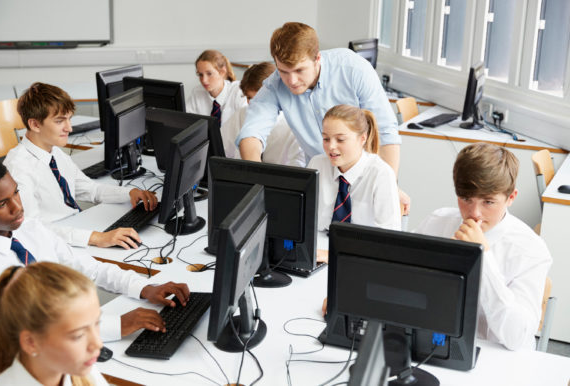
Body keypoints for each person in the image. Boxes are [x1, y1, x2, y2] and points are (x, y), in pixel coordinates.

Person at [0, 154, 189, 344]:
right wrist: (115, 325)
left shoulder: (28, 228)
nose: (18, 207)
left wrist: (144, 288)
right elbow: (19, 333)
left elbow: (87, 267)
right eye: (1, 204)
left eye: (16, 193)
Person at [236, 22, 409, 214]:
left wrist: (388, 188)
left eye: (299, 70)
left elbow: (386, 133)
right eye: (284, 71)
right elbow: (251, 135)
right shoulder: (275, 84)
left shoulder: (353, 69)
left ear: (317, 58)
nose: (291, 81)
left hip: (368, 178)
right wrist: (259, 182)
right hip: (322, 182)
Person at [415, 142, 552, 350]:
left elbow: (518, 338)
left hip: (496, 357)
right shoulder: (436, 222)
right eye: (465, 199)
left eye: (488, 202)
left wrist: (484, 258)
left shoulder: (530, 250)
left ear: (511, 198)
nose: (474, 212)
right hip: (434, 346)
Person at [3, 82, 158, 249]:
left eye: (69, 119)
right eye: (59, 121)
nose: (69, 128)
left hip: (74, 229)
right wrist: (95, 237)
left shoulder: (54, 152)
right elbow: (31, 228)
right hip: (53, 244)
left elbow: (90, 189)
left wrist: (130, 193)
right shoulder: (18, 168)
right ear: (35, 124)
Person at [0, 262, 109, 385]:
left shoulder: (84, 371)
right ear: (31, 342)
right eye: (78, 335)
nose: (98, 344)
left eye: (97, 323)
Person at [310, 105, 400, 263]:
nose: (331, 146)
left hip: (363, 257)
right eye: (326, 138)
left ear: (362, 138)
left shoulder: (380, 174)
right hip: (320, 249)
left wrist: (332, 255)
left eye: (340, 139)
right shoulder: (317, 165)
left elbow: (388, 240)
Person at [221, 61, 305, 166]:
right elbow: (221, 150)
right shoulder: (241, 114)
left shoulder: (294, 126)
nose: (252, 104)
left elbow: (299, 168)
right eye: (249, 98)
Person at [186, 49, 247, 126]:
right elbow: (186, 122)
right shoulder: (197, 92)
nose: (204, 80)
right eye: (200, 75)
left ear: (222, 72)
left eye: (209, 74)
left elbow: (246, 124)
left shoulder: (238, 91)